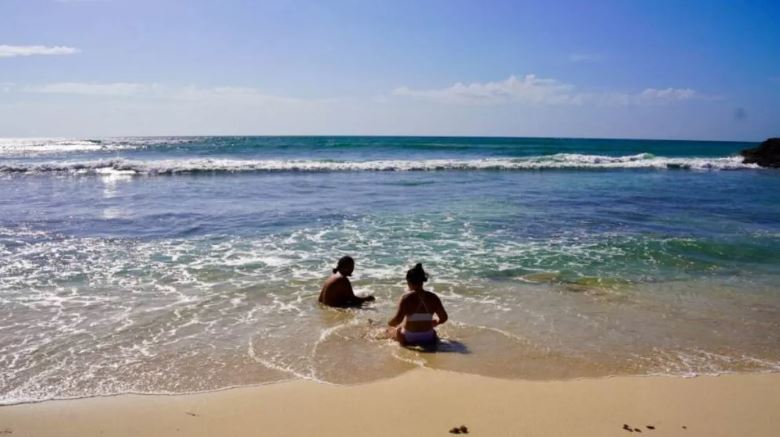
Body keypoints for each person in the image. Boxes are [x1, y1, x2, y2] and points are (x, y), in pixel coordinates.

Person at [387, 263, 448, 346]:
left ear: (409, 281)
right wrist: (436, 322)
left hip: (409, 337)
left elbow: (398, 320)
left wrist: (389, 324)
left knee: (392, 330)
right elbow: (444, 318)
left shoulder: (406, 298)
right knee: (433, 333)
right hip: (428, 336)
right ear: (422, 281)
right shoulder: (433, 297)